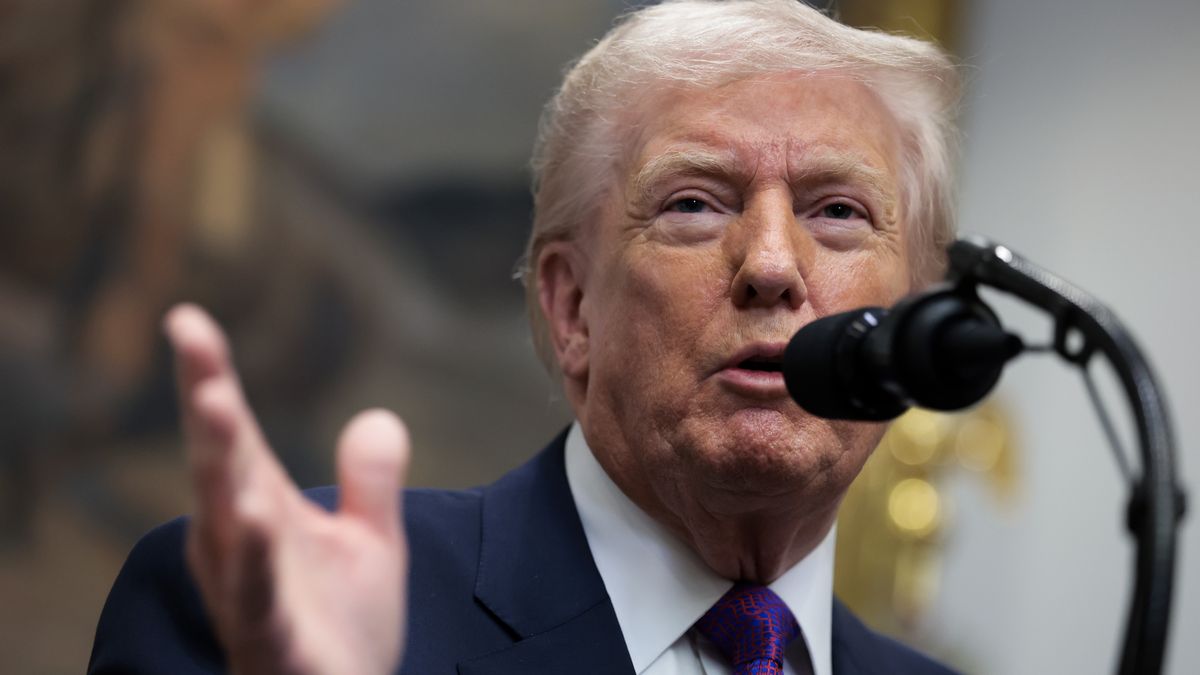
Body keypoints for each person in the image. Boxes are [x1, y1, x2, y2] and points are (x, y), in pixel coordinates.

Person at [89, 1, 962, 673]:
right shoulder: (262, 602)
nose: (772, 264)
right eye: (693, 203)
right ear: (572, 306)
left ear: (912, 324)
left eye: (839, 212)